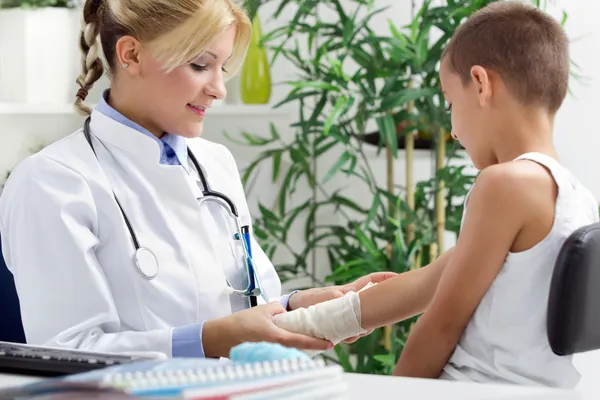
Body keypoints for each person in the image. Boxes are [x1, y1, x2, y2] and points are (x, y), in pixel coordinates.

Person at [0, 0, 393, 359]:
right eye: (200, 65)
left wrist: (297, 306)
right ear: (132, 55)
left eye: (222, 68)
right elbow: (66, 353)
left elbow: (250, 305)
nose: (219, 89)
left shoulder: (214, 162)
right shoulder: (52, 181)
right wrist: (210, 340)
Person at [271, 1, 599, 389]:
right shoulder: (575, 196)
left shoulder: (504, 184)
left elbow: (442, 323)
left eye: (448, 102)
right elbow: (427, 284)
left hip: (473, 388)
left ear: (480, 83)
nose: (453, 131)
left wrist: (399, 394)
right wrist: (286, 326)